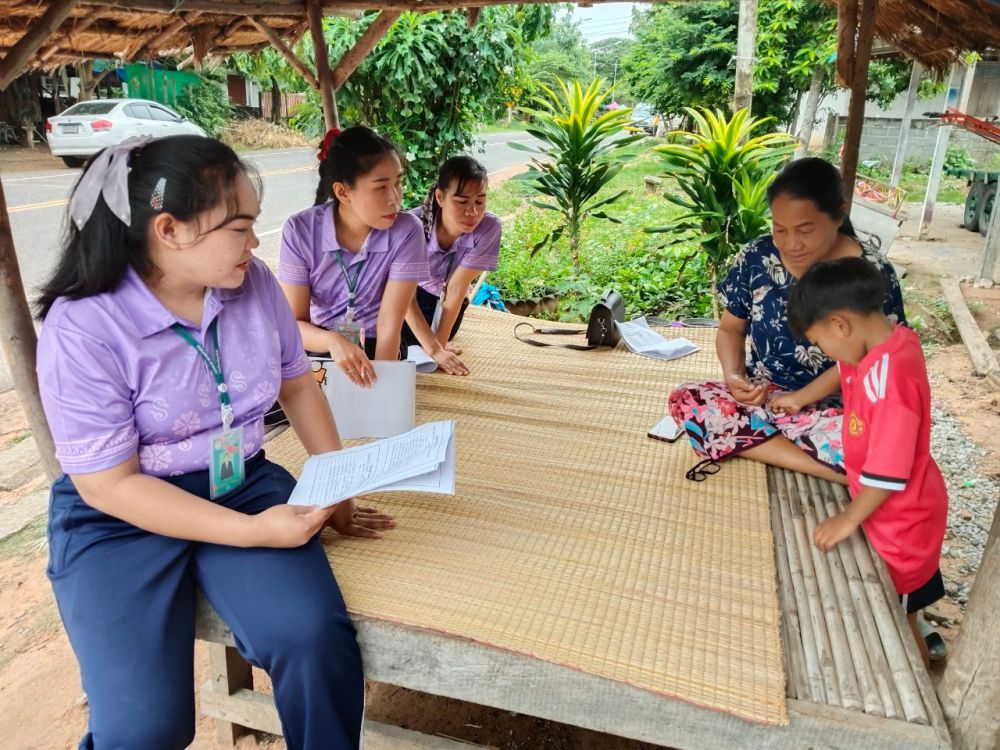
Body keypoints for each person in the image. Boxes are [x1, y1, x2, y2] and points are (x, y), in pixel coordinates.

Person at [36, 135, 394, 750]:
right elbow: (110, 485)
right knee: (144, 730)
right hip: (122, 518)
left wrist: (338, 487)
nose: (254, 243)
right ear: (169, 230)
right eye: (240, 227)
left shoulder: (253, 285)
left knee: (312, 641)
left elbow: (298, 387)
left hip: (241, 483)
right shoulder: (85, 325)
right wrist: (255, 532)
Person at [669, 157, 906, 483]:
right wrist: (735, 378)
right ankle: (829, 467)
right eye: (779, 229)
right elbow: (730, 329)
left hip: (837, 411)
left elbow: (878, 359)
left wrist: (801, 399)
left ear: (838, 215)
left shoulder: (871, 274)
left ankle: (766, 445)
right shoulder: (757, 257)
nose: (791, 245)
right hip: (765, 400)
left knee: (879, 440)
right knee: (687, 400)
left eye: (805, 230)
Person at [786, 256, 947, 667]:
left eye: (819, 342)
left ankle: (919, 682)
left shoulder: (888, 380)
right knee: (897, 612)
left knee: (901, 621)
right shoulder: (890, 341)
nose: (823, 351)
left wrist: (848, 519)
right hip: (896, 508)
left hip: (902, 525)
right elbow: (843, 369)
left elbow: (888, 473)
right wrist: (801, 398)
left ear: (840, 325)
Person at [279, 126, 428, 389]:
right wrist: (332, 342)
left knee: (371, 401)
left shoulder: (407, 231)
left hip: (377, 345)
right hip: (318, 342)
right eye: (381, 187)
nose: (395, 199)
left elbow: (389, 325)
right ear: (343, 192)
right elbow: (294, 325)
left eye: (398, 183)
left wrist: (380, 389)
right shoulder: (300, 231)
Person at [402, 156, 502, 376]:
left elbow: (457, 287)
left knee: (423, 351)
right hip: (404, 302)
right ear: (440, 197)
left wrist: (439, 345)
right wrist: (434, 350)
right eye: (462, 202)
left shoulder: (489, 227)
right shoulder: (411, 227)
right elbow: (404, 296)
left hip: (443, 307)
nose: (472, 212)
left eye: (480, 202)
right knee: (396, 343)